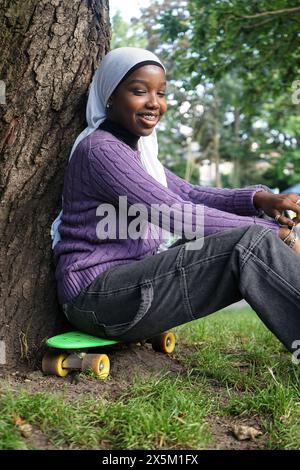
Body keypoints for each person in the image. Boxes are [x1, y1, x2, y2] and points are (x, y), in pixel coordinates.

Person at [51, 47, 300, 356]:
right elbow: (175, 214)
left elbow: (190, 194)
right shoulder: (102, 151)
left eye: (161, 93)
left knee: (257, 234)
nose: (153, 103)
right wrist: (268, 231)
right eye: (139, 91)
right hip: (97, 298)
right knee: (251, 240)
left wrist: (258, 199)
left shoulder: (136, 153)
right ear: (110, 96)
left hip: (124, 287)